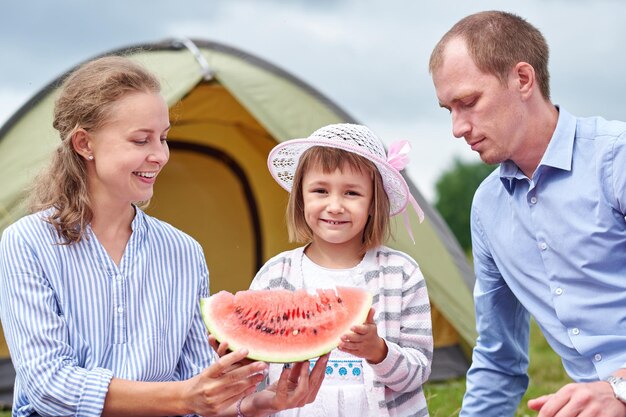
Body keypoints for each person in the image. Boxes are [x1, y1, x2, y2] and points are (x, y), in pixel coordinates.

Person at [0, 55, 328, 417]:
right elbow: (49, 386)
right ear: (84, 144)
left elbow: (196, 386)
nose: (159, 155)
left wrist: (256, 403)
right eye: (141, 140)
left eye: (164, 138)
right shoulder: (26, 243)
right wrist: (184, 397)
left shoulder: (183, 251)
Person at [429, 10, 626, 417]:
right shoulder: (487, 208)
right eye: (448, 109)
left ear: (522, 79)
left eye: (467, 102)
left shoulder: (615, 160)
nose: (457, 127)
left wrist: (619, 389)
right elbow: (498, 360)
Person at [249, 123, 433, 417]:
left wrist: (379, 351)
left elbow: (418, 371)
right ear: (301, 197)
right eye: (320, 190)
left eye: (351, 193)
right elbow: (254, 373)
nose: (334, 206)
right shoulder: (275, 276)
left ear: (374, 202)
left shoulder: (402, 274)